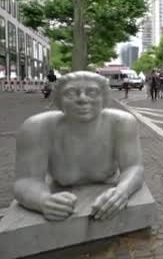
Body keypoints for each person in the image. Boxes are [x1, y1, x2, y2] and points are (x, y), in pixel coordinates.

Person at [14, 71, 144, 221]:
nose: (82, 99)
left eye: (93, 92)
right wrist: (43, 201)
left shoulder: (122, 123)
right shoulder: (36, 127)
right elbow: (25, 180)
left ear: (104, 99)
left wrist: (121, 192)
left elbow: (133, 167)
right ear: (59, 101)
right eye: (71, 93)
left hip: (107, 186)